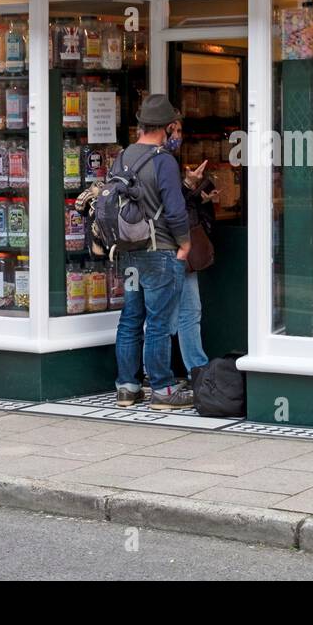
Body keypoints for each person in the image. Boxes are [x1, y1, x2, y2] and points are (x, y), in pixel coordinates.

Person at [113, 94, 194, 410]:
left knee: (131, 318)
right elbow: (174, 211)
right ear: (168, 126)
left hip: (129, 254)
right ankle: (162, 389)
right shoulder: (163, 161)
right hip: (160, 252)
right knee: (158, 322)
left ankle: (127, 387)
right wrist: (185, 244)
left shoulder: (122, 157)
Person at [168, 123, 216, 375]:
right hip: (169, 247)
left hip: (178, 247)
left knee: (183, 312)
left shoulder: (170, 161)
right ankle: (163, 373)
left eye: (180, 131)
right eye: (172, 131)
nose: (177, 137)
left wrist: (200, 198)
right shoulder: (160, 164)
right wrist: (187, 187)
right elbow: (168, 207)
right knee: (170, 315)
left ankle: (194, 370)